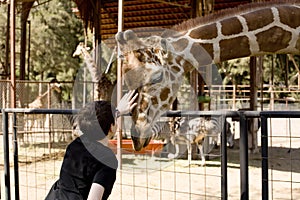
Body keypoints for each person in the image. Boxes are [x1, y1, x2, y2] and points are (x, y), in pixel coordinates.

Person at [45, 90, 138, 200]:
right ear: (112, 127)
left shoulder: (75, 145)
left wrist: (116, 112)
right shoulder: (107, 159)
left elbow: (97, 120)